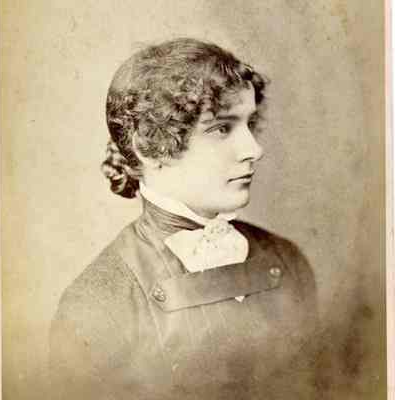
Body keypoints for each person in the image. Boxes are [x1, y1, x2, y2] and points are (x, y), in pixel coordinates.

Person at [49, 38, 318, 400]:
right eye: (221, 128)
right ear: (150, 146)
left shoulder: (287, 262)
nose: (254, 149)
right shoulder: (97, 305)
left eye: (250, 123)